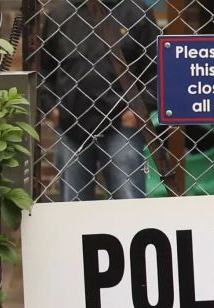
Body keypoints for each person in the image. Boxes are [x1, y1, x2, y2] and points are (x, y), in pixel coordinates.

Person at [39, 0, 158, 201]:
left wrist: (138, 111)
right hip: (71, 126)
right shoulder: (60, 14)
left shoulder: (136, 13)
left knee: (129, 204)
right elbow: (42, 69)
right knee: (73, 205)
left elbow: (157, 70)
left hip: (121, 126)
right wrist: (52, 109)